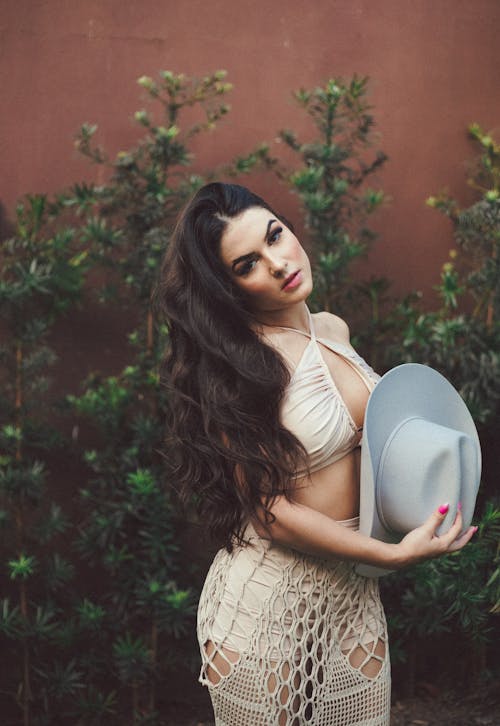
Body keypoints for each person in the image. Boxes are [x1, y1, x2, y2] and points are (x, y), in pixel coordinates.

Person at [157, 182, 476, 726]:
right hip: (268, 607)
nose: (279, 264)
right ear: (228, 289)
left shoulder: (332, 330)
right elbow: (269, 514)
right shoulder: (242, 366)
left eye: (276, 235)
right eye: (248, 264)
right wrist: (393, 557)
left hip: (352, 597)